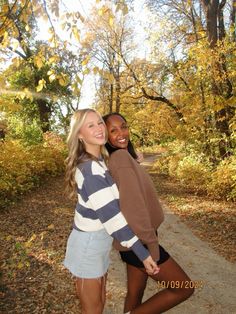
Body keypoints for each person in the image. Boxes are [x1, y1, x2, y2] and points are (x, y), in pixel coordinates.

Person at [63, 109, 159, 314]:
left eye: (99, 123)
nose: (99, 128)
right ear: (79, 134)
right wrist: (143, 254)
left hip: (98, 242)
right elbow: (113, 218)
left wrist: (134, 160)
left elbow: (117, 185)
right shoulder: (90, 170)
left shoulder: (99, 162)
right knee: (93, 309)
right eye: (90, 125)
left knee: (100, 303)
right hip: (88, 245)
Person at [103, 112, 194, 314]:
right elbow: (134, 209)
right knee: (184, 288)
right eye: (113, 130)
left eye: (124, 126)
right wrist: (150, 246)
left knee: (135, 297)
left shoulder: (123, 158)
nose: (121, 133)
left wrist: (135, 161)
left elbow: (134, 193)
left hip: (133, 242)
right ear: (106, 136)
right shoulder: (120, 159)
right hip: (140, 243)